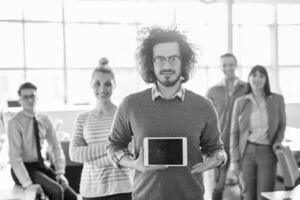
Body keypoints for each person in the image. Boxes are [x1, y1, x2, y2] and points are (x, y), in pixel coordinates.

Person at [107, 26, 227, 200]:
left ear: (183, 62)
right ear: (150, 63)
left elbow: (217, 149)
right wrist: (133, 163)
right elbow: (114, 146)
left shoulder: (204, 106)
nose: (167, 66)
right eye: (160, 60)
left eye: (173, 59)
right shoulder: (131, 104)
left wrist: (218, 158)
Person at [69, 58, 132, 200]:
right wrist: (114, 148)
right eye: (97, 83)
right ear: (91, 85)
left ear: (114, 85)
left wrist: (91, 158)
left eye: (107, 84)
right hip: (91, 189)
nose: (102, 89)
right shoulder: (82, 118)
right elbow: (74, 154)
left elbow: (131, 149)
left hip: (121, 188)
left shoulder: (124, 115)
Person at [8, 82, 77, 200]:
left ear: (37, 97)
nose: (30, 100)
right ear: (19, 100)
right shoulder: (15, 122)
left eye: (32, 96)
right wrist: (28, 184)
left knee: (72, 197)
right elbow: (15, 157)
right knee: (57, 191)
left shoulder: (44, 119)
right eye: (25, 97)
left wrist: (60, 173)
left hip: (41, 166)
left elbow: (56, 147)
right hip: (24, 168)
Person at [229, 65, 286, 200]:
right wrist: (234, 161)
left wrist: (278, 142)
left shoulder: (277, 100)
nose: (257, 79)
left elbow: (282, 125)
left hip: (267, 152)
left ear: (266, 79)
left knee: (264, 196)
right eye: (254, 75)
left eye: (261, 75)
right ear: (249, 78)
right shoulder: (241, 102)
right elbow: (234, 133)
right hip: (246, 152)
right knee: (248, 194)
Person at [206, 53, 247, 200]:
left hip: (242, 143)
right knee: (218, 186)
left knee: (245, 186)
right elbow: (206, 119)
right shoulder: (212, 91)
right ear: (220, 67)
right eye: (224, 65)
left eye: (230, 64)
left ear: (236, 65)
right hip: (220, 144)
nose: (228, 68)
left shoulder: (246, 88)